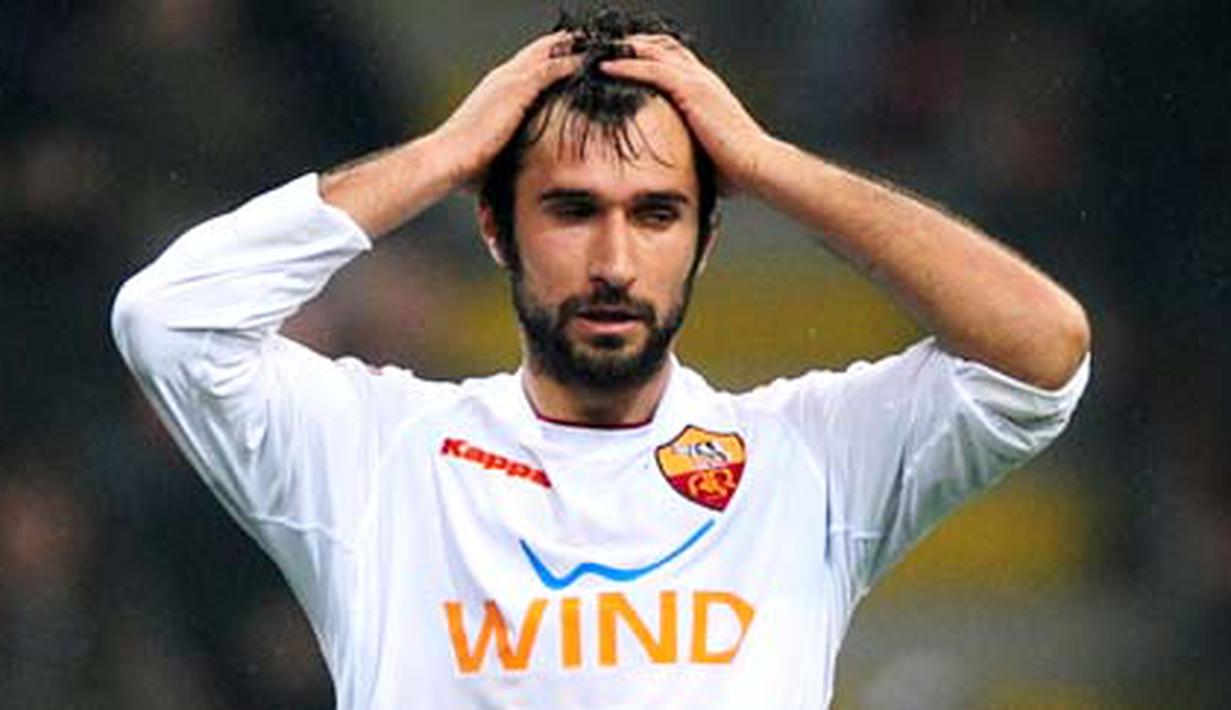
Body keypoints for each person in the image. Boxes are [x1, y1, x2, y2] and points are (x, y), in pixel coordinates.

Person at [111, 7, 1091, 708]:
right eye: (572, 210)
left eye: (657, 212)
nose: (614, 262)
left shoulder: (809, 457)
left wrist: (765, 163)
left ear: (705, 238)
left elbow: (1039, 352)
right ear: (496, 226)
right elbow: (170, 321)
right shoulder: (378, 456)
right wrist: (446, 153)